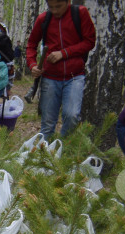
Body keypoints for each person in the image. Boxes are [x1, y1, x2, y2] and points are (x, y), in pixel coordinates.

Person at [25, 0, 95, 139]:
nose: (55, 11)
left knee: (72, 115)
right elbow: (31, 44)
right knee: (48, 123)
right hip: (50, 77)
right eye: (51, 7)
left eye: (58, 7)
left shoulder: (80, 14)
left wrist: (64, 53)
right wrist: (32, 65)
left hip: (75, 76)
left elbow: (89, 41)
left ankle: (61, 148)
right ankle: (44, 154)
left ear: (67, 2)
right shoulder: (43, 19)